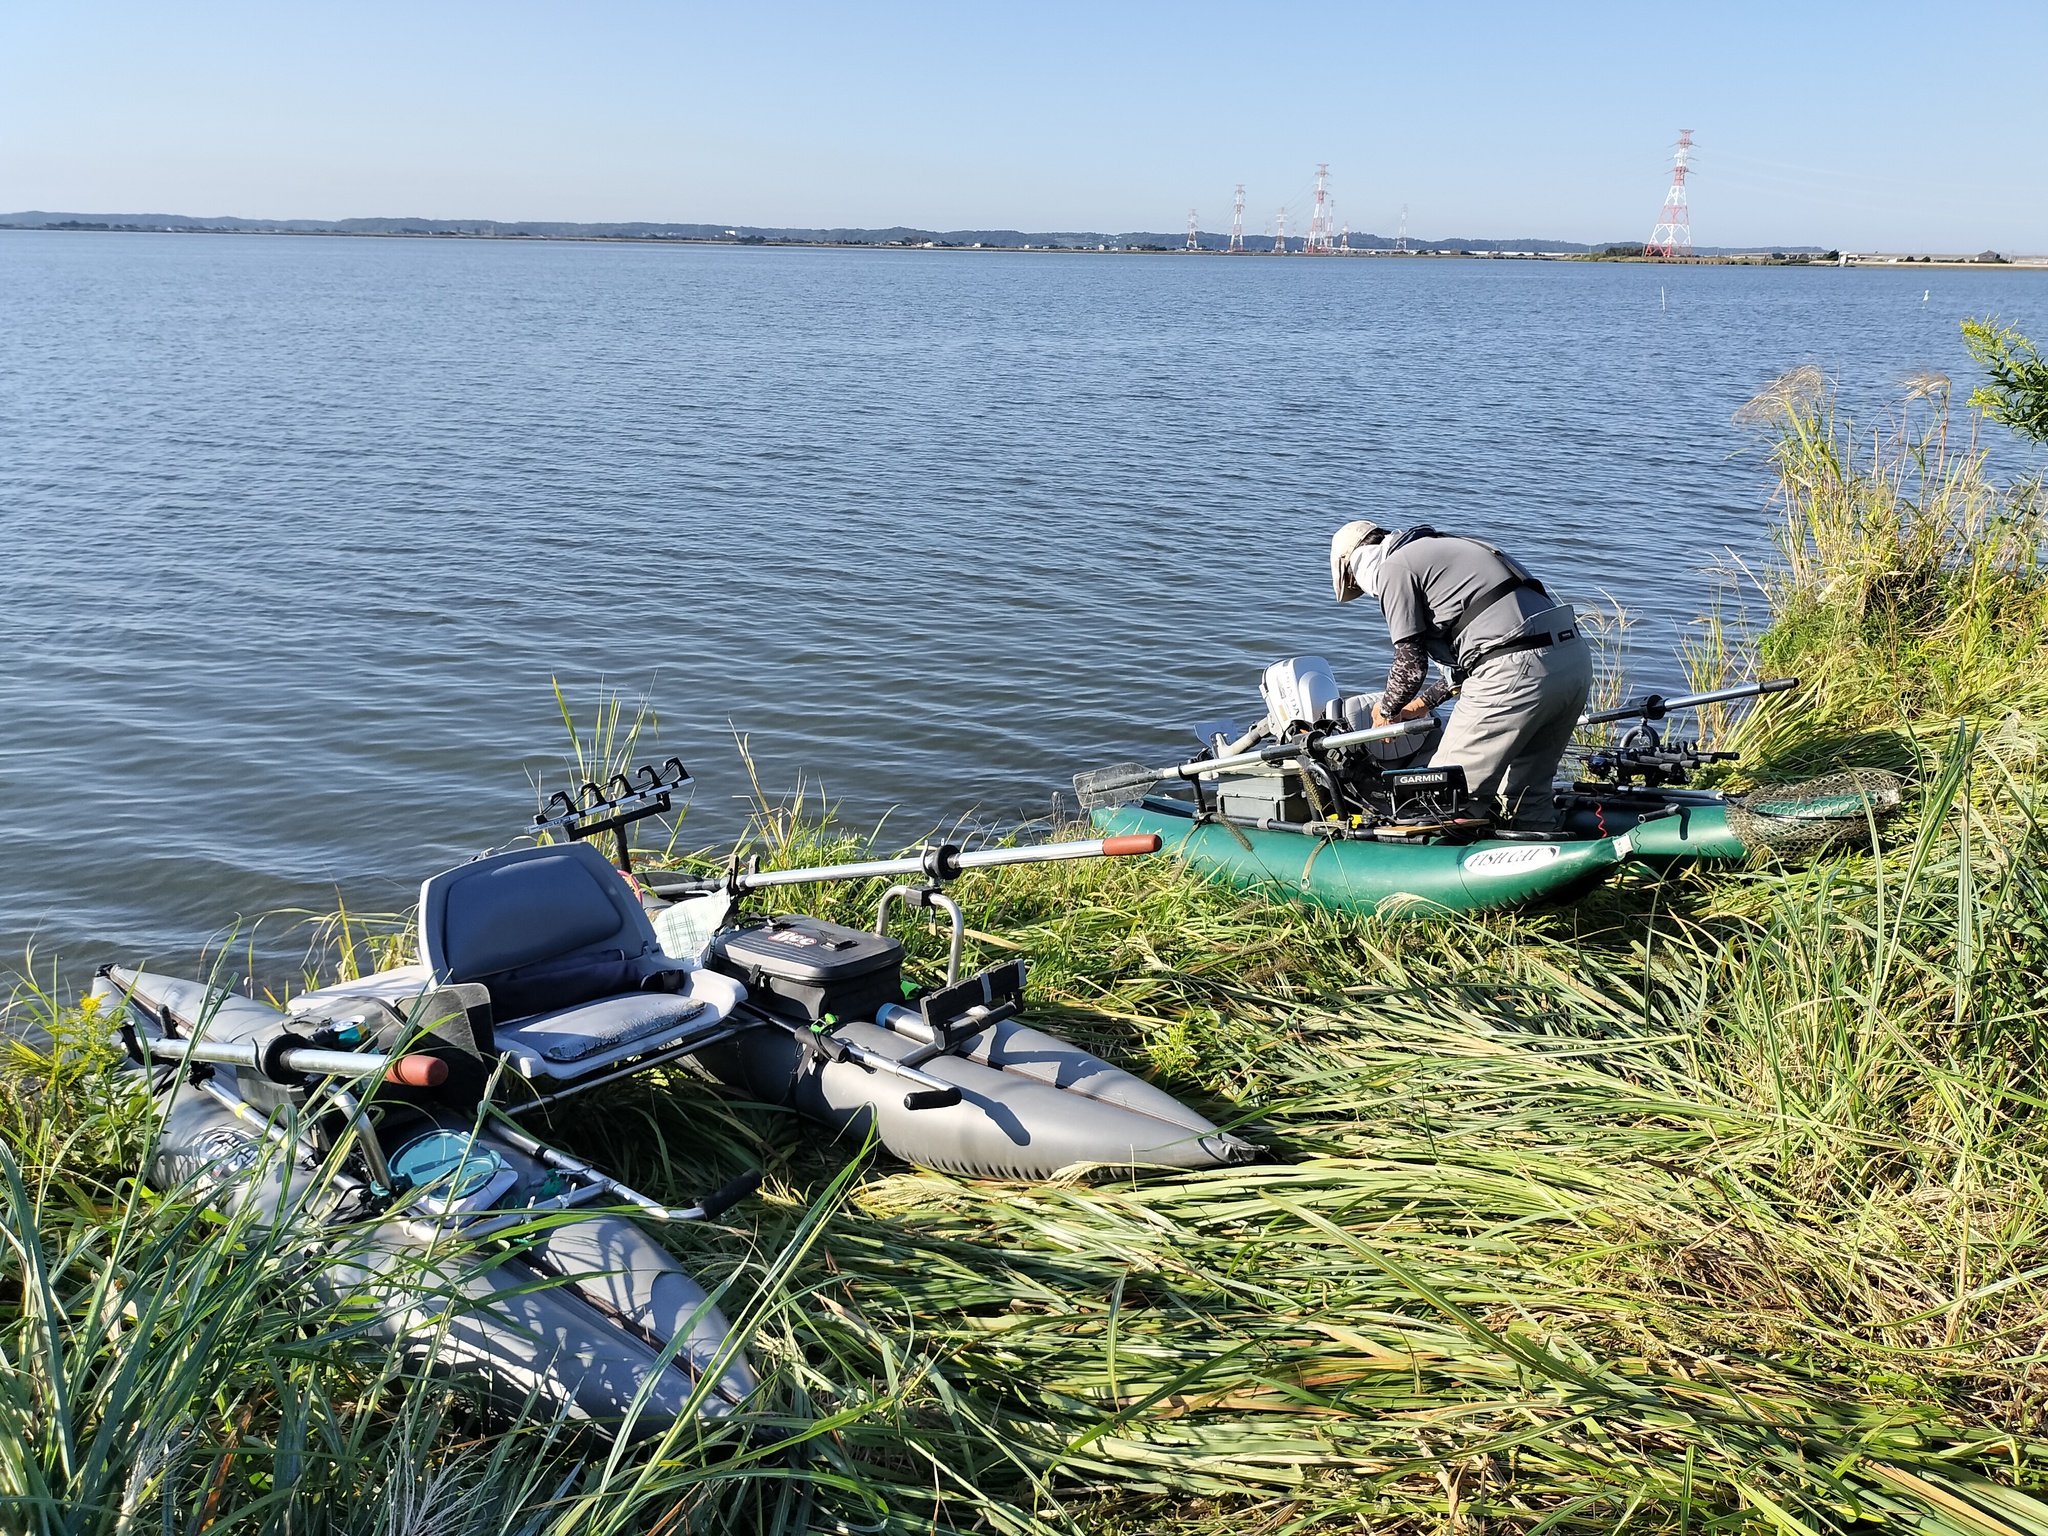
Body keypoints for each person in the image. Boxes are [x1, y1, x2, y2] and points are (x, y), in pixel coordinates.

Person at [1329, 520, 1592, 832]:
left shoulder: (1393, 567)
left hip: (1514, 668)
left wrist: (1386, 710)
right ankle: (1545, 858)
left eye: (1356, 584)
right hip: (1572, 661)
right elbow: (1480, 649)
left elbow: (1411, 665)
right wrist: (1422, 704)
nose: (1364, 591)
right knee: (1528, 792)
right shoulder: (1444, 550)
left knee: (1442, 793)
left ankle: (1434, 865)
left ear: (1353, 563)